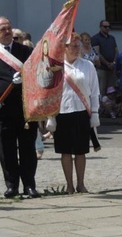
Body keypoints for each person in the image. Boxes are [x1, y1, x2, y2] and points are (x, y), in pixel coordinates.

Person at [45, 33, 99, 194]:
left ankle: (81, 184)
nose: (77, 49)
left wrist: (95, 112)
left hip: (82, 112)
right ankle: (69, 185)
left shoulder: (87, 65)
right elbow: (49, 93)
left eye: (79, 46)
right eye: (73, 46)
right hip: (62, 112)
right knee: (65, 151)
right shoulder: (56, 67)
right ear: (65, 48)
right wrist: (50, 116)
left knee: (81, 150)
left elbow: (94, 91)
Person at [0, 17, 39, 198]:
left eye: (8, 28)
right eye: (2, 29)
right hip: (4, 109)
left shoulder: (25, 51)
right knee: (6, 150)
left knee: (27, 149)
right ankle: (12, 186)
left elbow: (38, 73)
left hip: (25, 109)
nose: (7, 32)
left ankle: (29, 185)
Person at [90, 20, 117, 98]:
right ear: (100, 27)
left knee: (112, 90)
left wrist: (114, 63)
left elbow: (116, 51)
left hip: (112, 68)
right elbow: (97, 53)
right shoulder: (95, 38)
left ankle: (112, 108)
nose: (107, 28)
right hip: (102, 68)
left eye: (109, 27)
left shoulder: (112, 38)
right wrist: (107, 63)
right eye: (105, 27)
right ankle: (101, 108)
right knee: (102, 90)